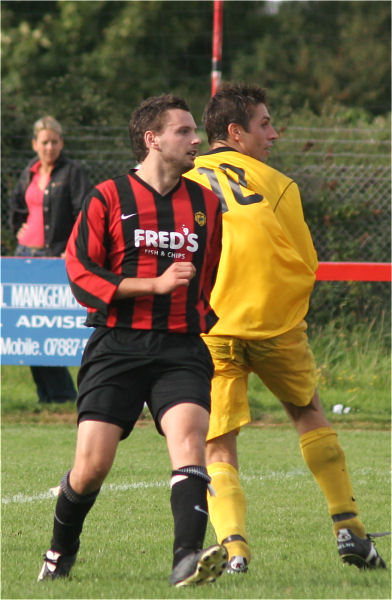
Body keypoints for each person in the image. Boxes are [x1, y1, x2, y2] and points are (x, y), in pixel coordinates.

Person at [185, 82, 387, 573]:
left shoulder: (181, 177)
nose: (274, 134)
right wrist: (288, 311)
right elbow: (306, 261)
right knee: (308, 412)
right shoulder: (276, 184)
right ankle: (349, 530)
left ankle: (234, 552)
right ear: (235, 133)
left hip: (212, 327)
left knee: (217, 441)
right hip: (273, 324)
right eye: (264, 124)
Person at [37, 95, 227, 587]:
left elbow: (207, 275)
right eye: (184, 131)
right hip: (117, 345)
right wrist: (153, 286)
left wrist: (186, 310)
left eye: (194, 132)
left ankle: (187, 558)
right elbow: (80, 273)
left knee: (190, 443)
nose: (195, 140)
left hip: (180, 347)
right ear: (153, 139)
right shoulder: (107, 197)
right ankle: (60, 550)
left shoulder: (207, 205)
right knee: (91, 467)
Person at [9, 116, 91, 404]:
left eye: (55, 141)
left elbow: (84, 212)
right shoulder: (29, 172)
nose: (50, 147)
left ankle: (62, 395)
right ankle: (46, 394)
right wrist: (17, 228)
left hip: (54, 256)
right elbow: (18, 204)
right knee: (27, 329)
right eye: (44, 142)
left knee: (49, 327)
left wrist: (71, 248)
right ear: (35, 144)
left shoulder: (72, 172)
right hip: (24, 255)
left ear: (61, 143)